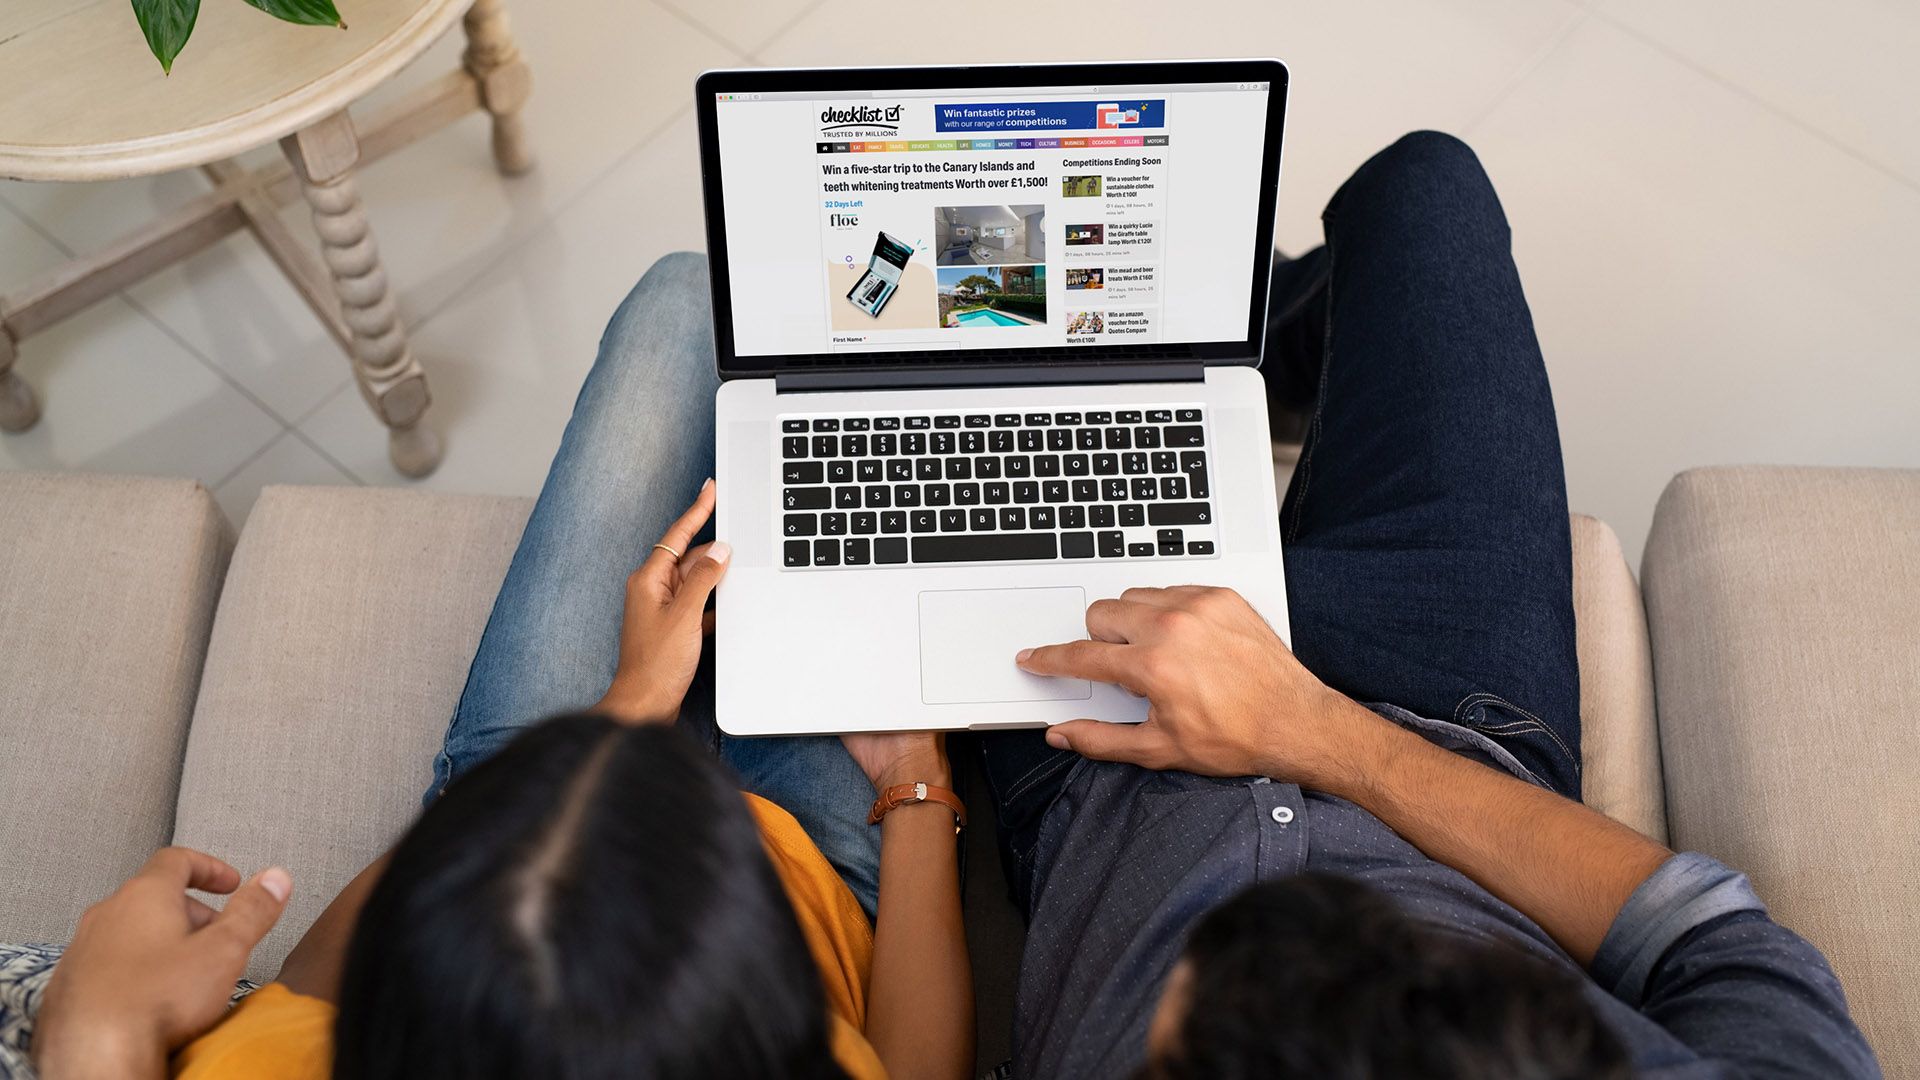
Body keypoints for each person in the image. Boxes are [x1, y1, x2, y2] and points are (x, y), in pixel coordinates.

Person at [977, 131, 1882, 1079]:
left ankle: (1226, 356)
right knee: (1424, 187)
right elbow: (1702, 925)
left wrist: (912, 792)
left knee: (1013, 328)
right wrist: (1308, 728)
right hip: (1446, 719)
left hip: (1111, 769)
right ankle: (1282, 349)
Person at [27, 256, 974, 1080]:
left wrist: (629, 708)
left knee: (690, 297)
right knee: (739, 345)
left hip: (520, 813)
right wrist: (914, 778)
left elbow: (312, 988)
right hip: (811, 855)